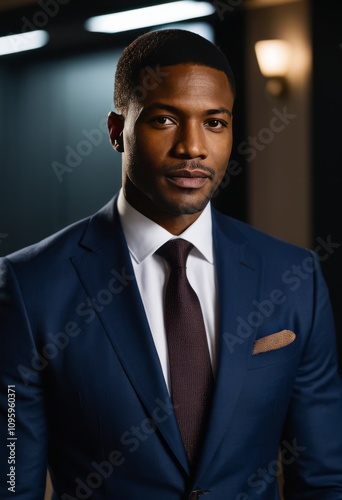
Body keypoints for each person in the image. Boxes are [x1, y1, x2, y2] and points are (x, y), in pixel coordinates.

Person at [0, 28, 341, 500]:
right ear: (118, 131)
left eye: (215, 123)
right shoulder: (29, 286)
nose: (193, 148)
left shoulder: (293, 277)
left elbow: (324, 479)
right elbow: (12, 479)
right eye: (164, 120)